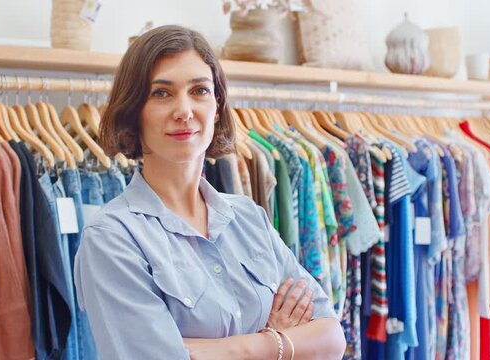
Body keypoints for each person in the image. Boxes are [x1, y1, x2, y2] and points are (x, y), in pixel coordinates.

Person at [74, 24, 346, 359]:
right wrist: (284, 343)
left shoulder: (248, 218)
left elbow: (332, 338)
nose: (184, 111)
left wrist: (255, 344)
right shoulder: (112, 239)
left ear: (217, 107)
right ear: (134, 111)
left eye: (200, 91)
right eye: (162, 93)